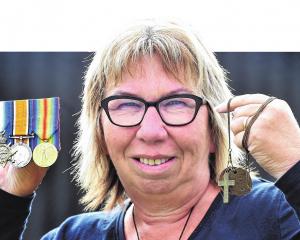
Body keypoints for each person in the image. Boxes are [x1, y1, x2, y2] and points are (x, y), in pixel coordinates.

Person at [0, 20, 300, 240]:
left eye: (176, 103)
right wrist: (10, 202)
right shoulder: (73, 237)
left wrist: (296, 167)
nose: (152, 131)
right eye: (127, 105)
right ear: (101, 133)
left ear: (213, 127)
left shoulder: (274, 215)